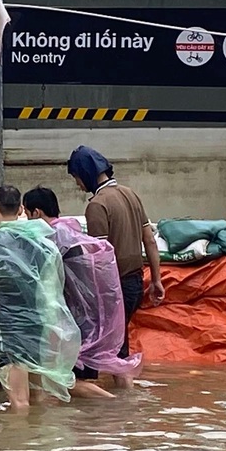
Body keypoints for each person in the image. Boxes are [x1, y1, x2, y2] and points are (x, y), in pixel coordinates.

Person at [0, 186, 81, 411]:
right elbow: (52, 284)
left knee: (19, 401)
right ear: (20, 209)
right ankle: (39, 433)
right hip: (39, 325)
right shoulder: (42, 244)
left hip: (10, 330)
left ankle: (18, 435)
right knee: (37, 398)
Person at [23, 186, 141, 395]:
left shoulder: (52, 239)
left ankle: (118, 406)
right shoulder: (72, 232)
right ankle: (127, 401)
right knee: (103, 369)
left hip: (78, 322)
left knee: (69, 385)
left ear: (36, 212)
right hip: (96, 316)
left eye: (27, 213)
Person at [67, 147, 164, 360]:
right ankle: (121, 378)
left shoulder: (97, 205)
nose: (78, 184)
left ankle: (117, 382)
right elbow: (150, 240)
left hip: (115, 287)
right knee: (118, 343)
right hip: (136, 283)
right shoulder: (131, 194)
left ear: (85, 173)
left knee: (110, 348)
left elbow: (99, 258)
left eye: (76, 178)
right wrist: (156, 280)